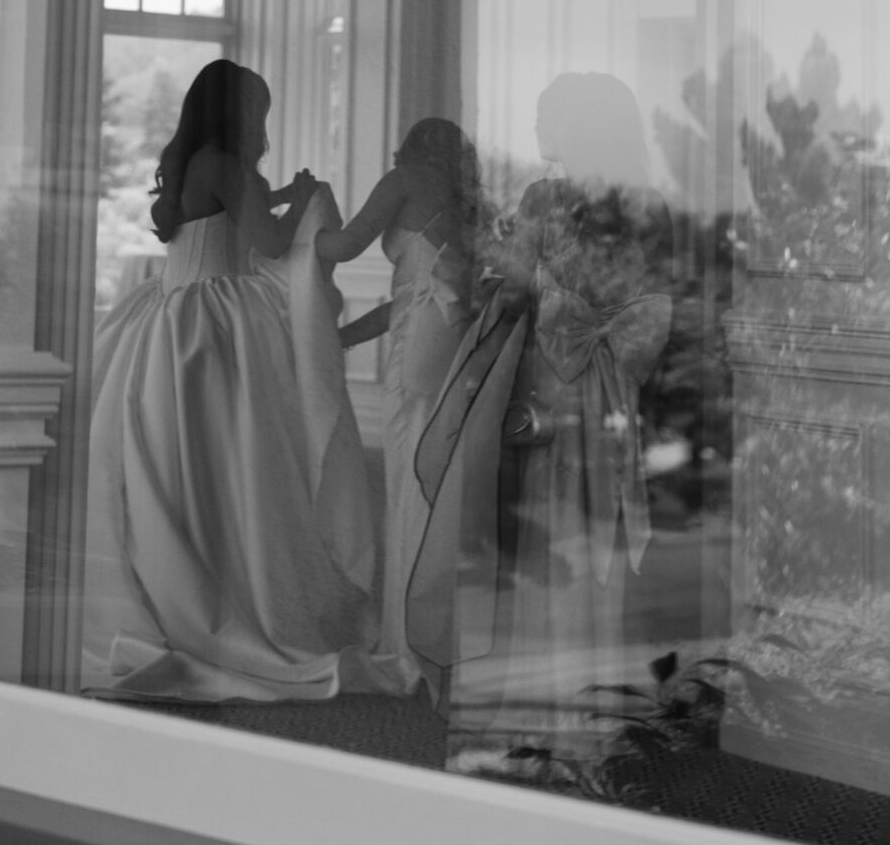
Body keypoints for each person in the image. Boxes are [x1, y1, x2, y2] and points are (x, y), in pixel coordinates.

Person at [81, 58, 411, 701]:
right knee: (243, 464)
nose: (262, 125)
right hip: (217, 322)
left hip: (173, 315)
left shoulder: (190, 163)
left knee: (189, 467)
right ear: (240, 112)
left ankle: (187, 586)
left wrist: (281, 195)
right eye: (258, 112)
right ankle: (241, 595)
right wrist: (309, 200)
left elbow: (227, 220)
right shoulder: (229, 167)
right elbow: (265, 240)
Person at [409, 73, 673, 748]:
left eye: (543, 115)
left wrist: (485, 254)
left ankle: (551, 704)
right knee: (565, 531)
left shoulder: (555, 198)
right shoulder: (641, 202)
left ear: (577, 125)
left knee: (552, 528)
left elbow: (533, 278)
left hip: (567, 382)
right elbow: (609, 288)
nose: (533, 128)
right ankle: (570, 700)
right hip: (580, 383)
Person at [316, 119, 479, 678]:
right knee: (435, 467)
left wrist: (303, 208)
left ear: (410, 148)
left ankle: (410, 640)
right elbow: (411, 296)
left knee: (410, 467)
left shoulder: (404, 178)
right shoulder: (462, 200)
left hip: (423, 337)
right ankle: (438, 628)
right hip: (448, 332)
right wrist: (344, 337)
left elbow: (342, 244)